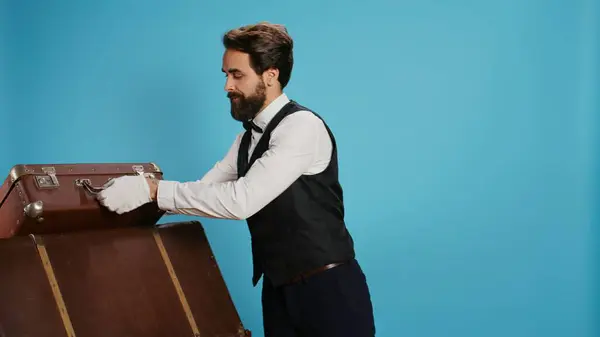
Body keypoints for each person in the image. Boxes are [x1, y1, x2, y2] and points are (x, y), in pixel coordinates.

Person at [97, 21, 376, 337]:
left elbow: (241, 200)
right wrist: (136, 204)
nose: (227, 86)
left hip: (328, 290)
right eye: (226, 74)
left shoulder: (301, 128)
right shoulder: (247, 139)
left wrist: (152, 190)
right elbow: (205, 190)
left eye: (237, 75)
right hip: (277, 290)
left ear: (271, 75)